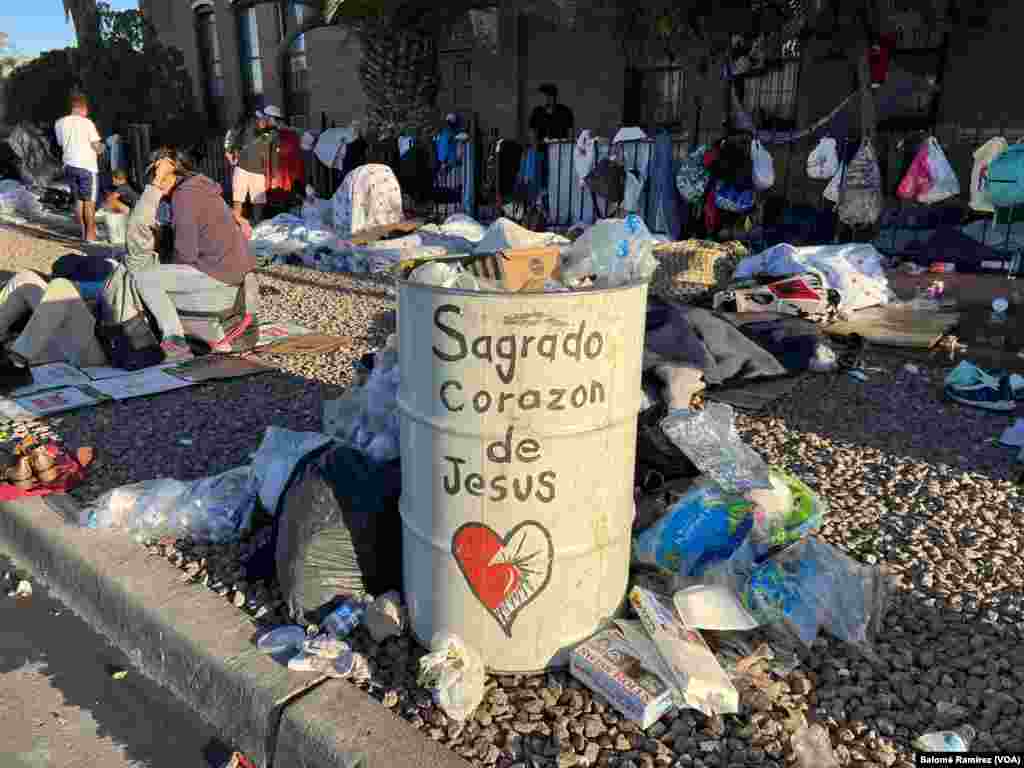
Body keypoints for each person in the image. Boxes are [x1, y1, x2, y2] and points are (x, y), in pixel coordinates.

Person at [131, 148, 256, 361]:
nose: (157, 183)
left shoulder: (184, 195)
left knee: (144, 277)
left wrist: (165, 269)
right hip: (234, 270)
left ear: (172, 172)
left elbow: (186, 253)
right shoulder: (199, 186)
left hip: (220, 274)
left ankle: (175, 341)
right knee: (160, 275)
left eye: (158, 176)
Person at [54, 92, 106, 242]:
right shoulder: (87, 123)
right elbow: (97, 147)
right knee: (89, 202)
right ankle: (91, 236)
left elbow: (60, 143)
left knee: (78, 200)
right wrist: (104, 147)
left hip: (69, 165)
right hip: (87, 167)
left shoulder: (59, 123)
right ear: (83, 108)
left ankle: (83, 233)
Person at [225, 106, 282, 227]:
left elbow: (274, 154)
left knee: (259, 201)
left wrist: (274, 175)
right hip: (241, 167)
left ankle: (257, 225)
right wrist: (228, 150)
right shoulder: (248, 124)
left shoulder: (274, 133)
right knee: (238, 198)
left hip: (259, 170)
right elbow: (231, 133)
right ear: (267, 117)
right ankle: (236, 225)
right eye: (275, 119)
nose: (277, 122)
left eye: (278, 119)